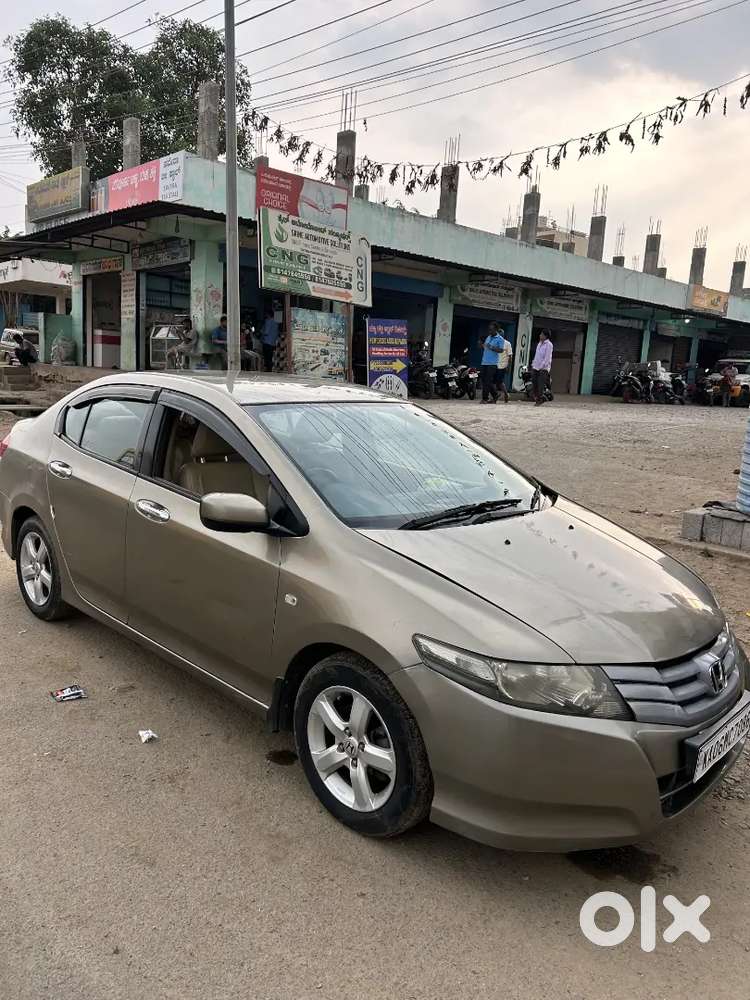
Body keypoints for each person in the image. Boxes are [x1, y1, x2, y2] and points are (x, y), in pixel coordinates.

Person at [478, 323, 506, 403]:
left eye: (491, 329)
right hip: (484, 362)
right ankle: (495, 394)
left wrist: (492, 347)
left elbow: (501, 350)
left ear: (496, 330)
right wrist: (481, 345)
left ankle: (485, 398)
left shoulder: (500, 339)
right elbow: (486, 347)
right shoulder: (488, 337)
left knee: (487, 381)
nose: (489, 331)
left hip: (492, 363)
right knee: (484, 380)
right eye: (489, 329)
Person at [531, 329, 553, 406]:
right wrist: (534, 363)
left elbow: (547, 358)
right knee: (534, 383)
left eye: (541, 334)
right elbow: (537, 355)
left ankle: (540, 399)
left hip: (543, 368)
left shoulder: (549, 345)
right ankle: (539, 398)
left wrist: (541, 367)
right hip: (536, 366)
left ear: (545, 336)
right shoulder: (539, 344)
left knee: (540, 384)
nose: (540, 335)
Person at [261, 307, 280, 373]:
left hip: (267, 342)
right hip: (273, 343)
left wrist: (261, 332)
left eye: (266, 314)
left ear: (268, 314)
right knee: (270, 357)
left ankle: (267, 369)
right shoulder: (276, 322)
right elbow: (277, 333)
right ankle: (271, 369)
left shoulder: (268, 321)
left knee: (267, 357)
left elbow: (266, 332)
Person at [495, 335, 513, 403]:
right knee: (493, 381)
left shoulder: (507, 343)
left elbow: (510, 356)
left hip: (502, 365)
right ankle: (495, 396)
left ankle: (506, 394)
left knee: (499, 381)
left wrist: (508, 366)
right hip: (494, 364)